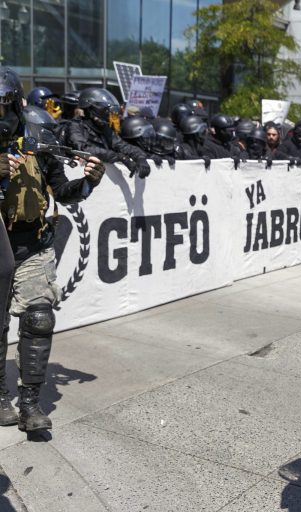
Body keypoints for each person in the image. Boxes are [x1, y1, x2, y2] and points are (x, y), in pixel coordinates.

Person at [0, 67, 106, 431]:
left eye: (4, 106)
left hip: (32, 244)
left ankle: (30, 404)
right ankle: (0, 397)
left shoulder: (35, 138)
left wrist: (88, 182)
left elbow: (61, 190)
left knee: (39, 318)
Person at [66, 87, 151, 179]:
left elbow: (124, 146)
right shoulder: (74, 126)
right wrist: (119, 157)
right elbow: (83, 148)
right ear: (90, 110)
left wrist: (140, 157)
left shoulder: (105, 129)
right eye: (103, 110)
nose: (108, 113)